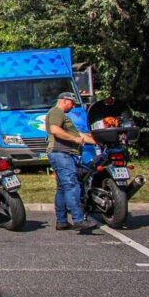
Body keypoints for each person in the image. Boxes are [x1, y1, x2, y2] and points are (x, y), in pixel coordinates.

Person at [46, 93, 98, 231]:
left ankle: (62, 221)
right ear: (64, 100)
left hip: (61, 154)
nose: (74, 106)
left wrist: (97, 141)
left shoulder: (63, 115)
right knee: (71, 185)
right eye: (72, 103)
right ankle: (78, 220)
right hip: (61, 153)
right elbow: (55, 130)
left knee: (62, 188)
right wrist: (74, 139)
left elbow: (79, 135)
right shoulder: (56, 112)